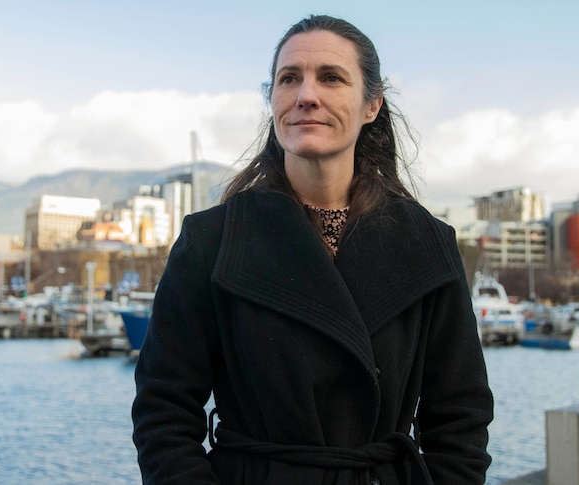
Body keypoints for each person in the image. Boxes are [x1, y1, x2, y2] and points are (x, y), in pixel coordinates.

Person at [132, 14, 493, 485]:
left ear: (371, 105)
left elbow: (460, 420)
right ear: (273, 100)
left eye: (331, 77)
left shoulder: (428, 244)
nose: (306, 95)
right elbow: (163, 412)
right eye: (289, 79)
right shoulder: (212, 241)